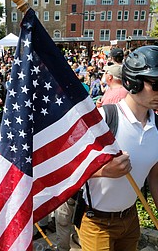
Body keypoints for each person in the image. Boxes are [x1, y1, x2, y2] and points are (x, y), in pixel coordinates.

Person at [78, 45, 158, 251]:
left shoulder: (157, 127)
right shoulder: (104, 119)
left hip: (131, 220)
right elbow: (68, 168)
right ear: (134, 82)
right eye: (156, 84)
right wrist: (103, 171)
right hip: (97, 223)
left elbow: (155, 176)